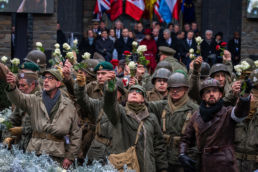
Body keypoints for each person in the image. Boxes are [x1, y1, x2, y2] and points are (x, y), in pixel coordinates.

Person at [5, 69, 81, 169]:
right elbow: (18, 98)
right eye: (45, 78)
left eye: (50, 78)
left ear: (58, 83)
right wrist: (12, 87)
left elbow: (76, 133)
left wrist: (70, 157)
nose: (45, 80)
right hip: (34, 151)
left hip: (56, 154)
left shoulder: (69, 105)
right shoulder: (34, 99)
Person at [179, 77, 252, 172]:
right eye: (208, 91)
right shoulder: (196, 115)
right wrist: (182, 154)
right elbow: (186, 138)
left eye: (214, 91)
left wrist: (244, 96)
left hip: (225, 164)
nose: (211, 94)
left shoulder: (228, 112)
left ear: (220, 94)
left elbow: (240, 113)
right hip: (203, 163)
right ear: (203, 97)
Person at [103, 83, 168, 172]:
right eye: (131, 92)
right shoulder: (120, 114)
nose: (134, 93)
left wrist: (163, 168)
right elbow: (109, 105)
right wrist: (110, 88)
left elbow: (158, 145)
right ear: (127, 97)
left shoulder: (151, 118)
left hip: (147, 167)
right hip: (125, 167)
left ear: (143, 99)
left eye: (138, 92)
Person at [148, 72, 199, 172]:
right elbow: (143, 105)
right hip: (163, 160)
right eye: (172, 88)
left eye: (179, 88)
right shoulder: (162, 106)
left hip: (182, 161)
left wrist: (190, 158)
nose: (175, 91)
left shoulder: (194, 109)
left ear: (185, 89)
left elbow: (199, 140)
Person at [4, 71, 40, 151]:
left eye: (23, 85)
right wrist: (8, 136)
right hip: (22, 144)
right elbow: (13, 119)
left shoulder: (41, 99)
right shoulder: (22, 99)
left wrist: (21, 130)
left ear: (33, 85)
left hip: (37, 147)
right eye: (19, 85)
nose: (20, 88)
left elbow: (43, 127)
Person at [234, 69, 258, 172]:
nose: (255, 93)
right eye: (254, 88)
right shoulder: (238, 104)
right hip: (235, 163)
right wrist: (243, 108)